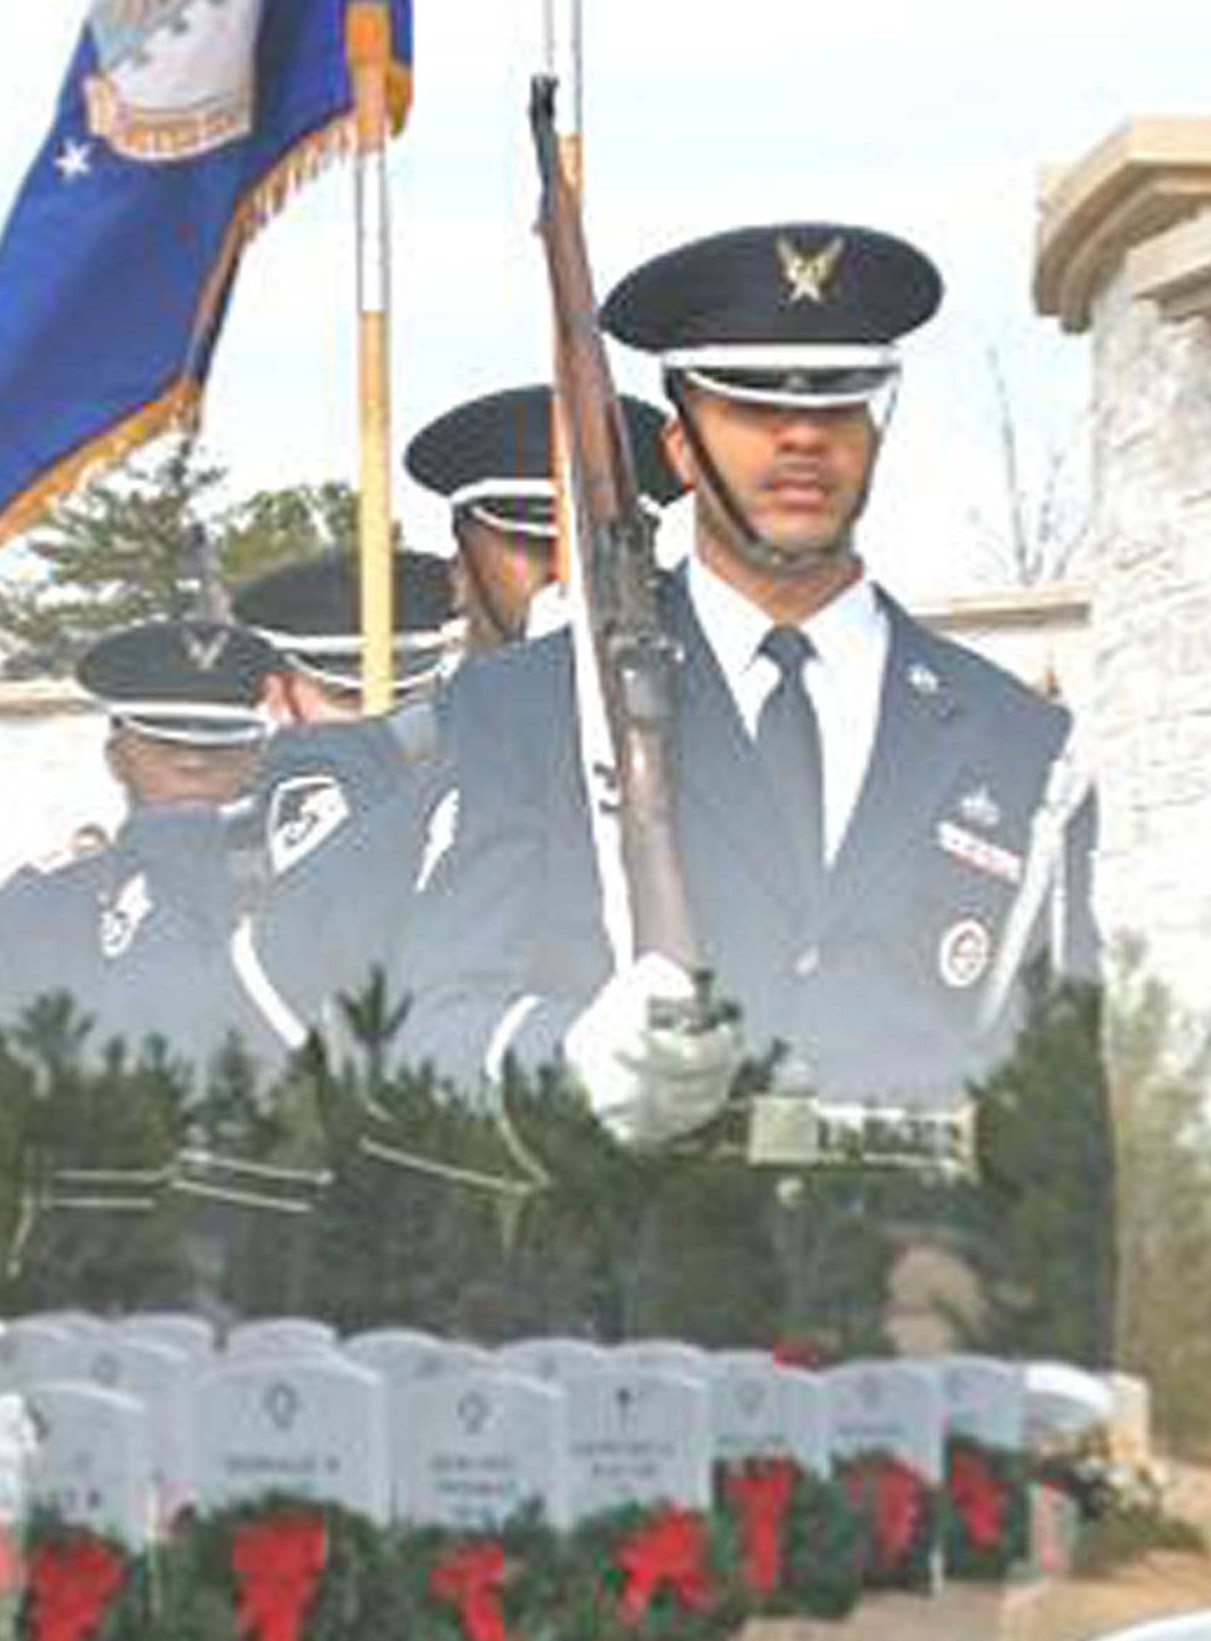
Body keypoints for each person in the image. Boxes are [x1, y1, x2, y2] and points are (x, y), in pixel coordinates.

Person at [392, 220, 1083, 1139]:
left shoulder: (1019, 744)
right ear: (680, 447)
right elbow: (425, 1034)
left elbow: (1067, 1106)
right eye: (754, 407)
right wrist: (569, 1061)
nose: (802, 438)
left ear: (875, 432)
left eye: (839, 405)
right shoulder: (530, 710)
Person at [0, 621, 278, 1054]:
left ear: (256, 760)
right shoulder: (31, 914)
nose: (193, 762)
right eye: (164, 744)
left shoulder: (319, 895)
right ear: (117, 759)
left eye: (220, 746)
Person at [219, 547, 461, 1061]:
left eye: (413, 696)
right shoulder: (229, 847)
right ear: (278, 697)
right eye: (348, 699)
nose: (387, 724)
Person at [401, 378, 676, 653]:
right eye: (535, 542)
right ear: (462, 556)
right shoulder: (440, 696)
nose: (569, 569)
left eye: (608, 541)